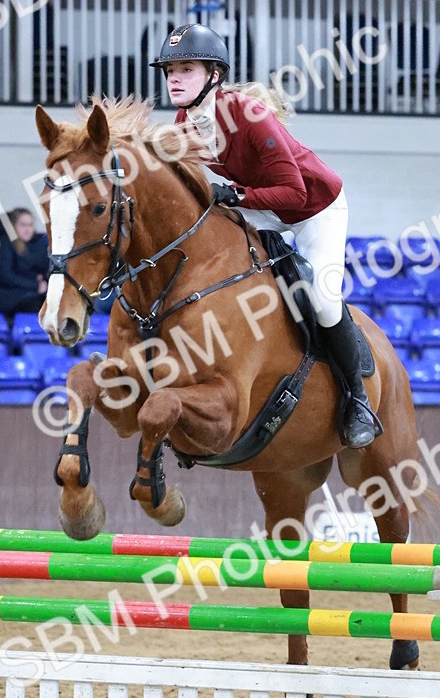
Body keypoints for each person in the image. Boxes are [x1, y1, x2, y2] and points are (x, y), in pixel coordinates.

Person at [150, 22, 379, 448]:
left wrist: (233, 194)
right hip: (261, 208)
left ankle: (358, 400)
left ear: (214, 76)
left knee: (324, 300)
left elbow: (293, 191)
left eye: (186, 68)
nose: (174, 78)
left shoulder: (250, 116)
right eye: (169, 70)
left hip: (314, 208)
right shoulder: (185, 121)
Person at [0, 207, 49, 316]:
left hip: (29, 291)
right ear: (13, 226)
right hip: (5, 296)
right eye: (23, 225)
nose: (27, 229)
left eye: (30, 225)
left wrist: (44, 281)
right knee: (34, 302)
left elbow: (46, 266)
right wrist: (35, 285)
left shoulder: (38, 243)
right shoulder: (2, 244)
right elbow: (4, 276)